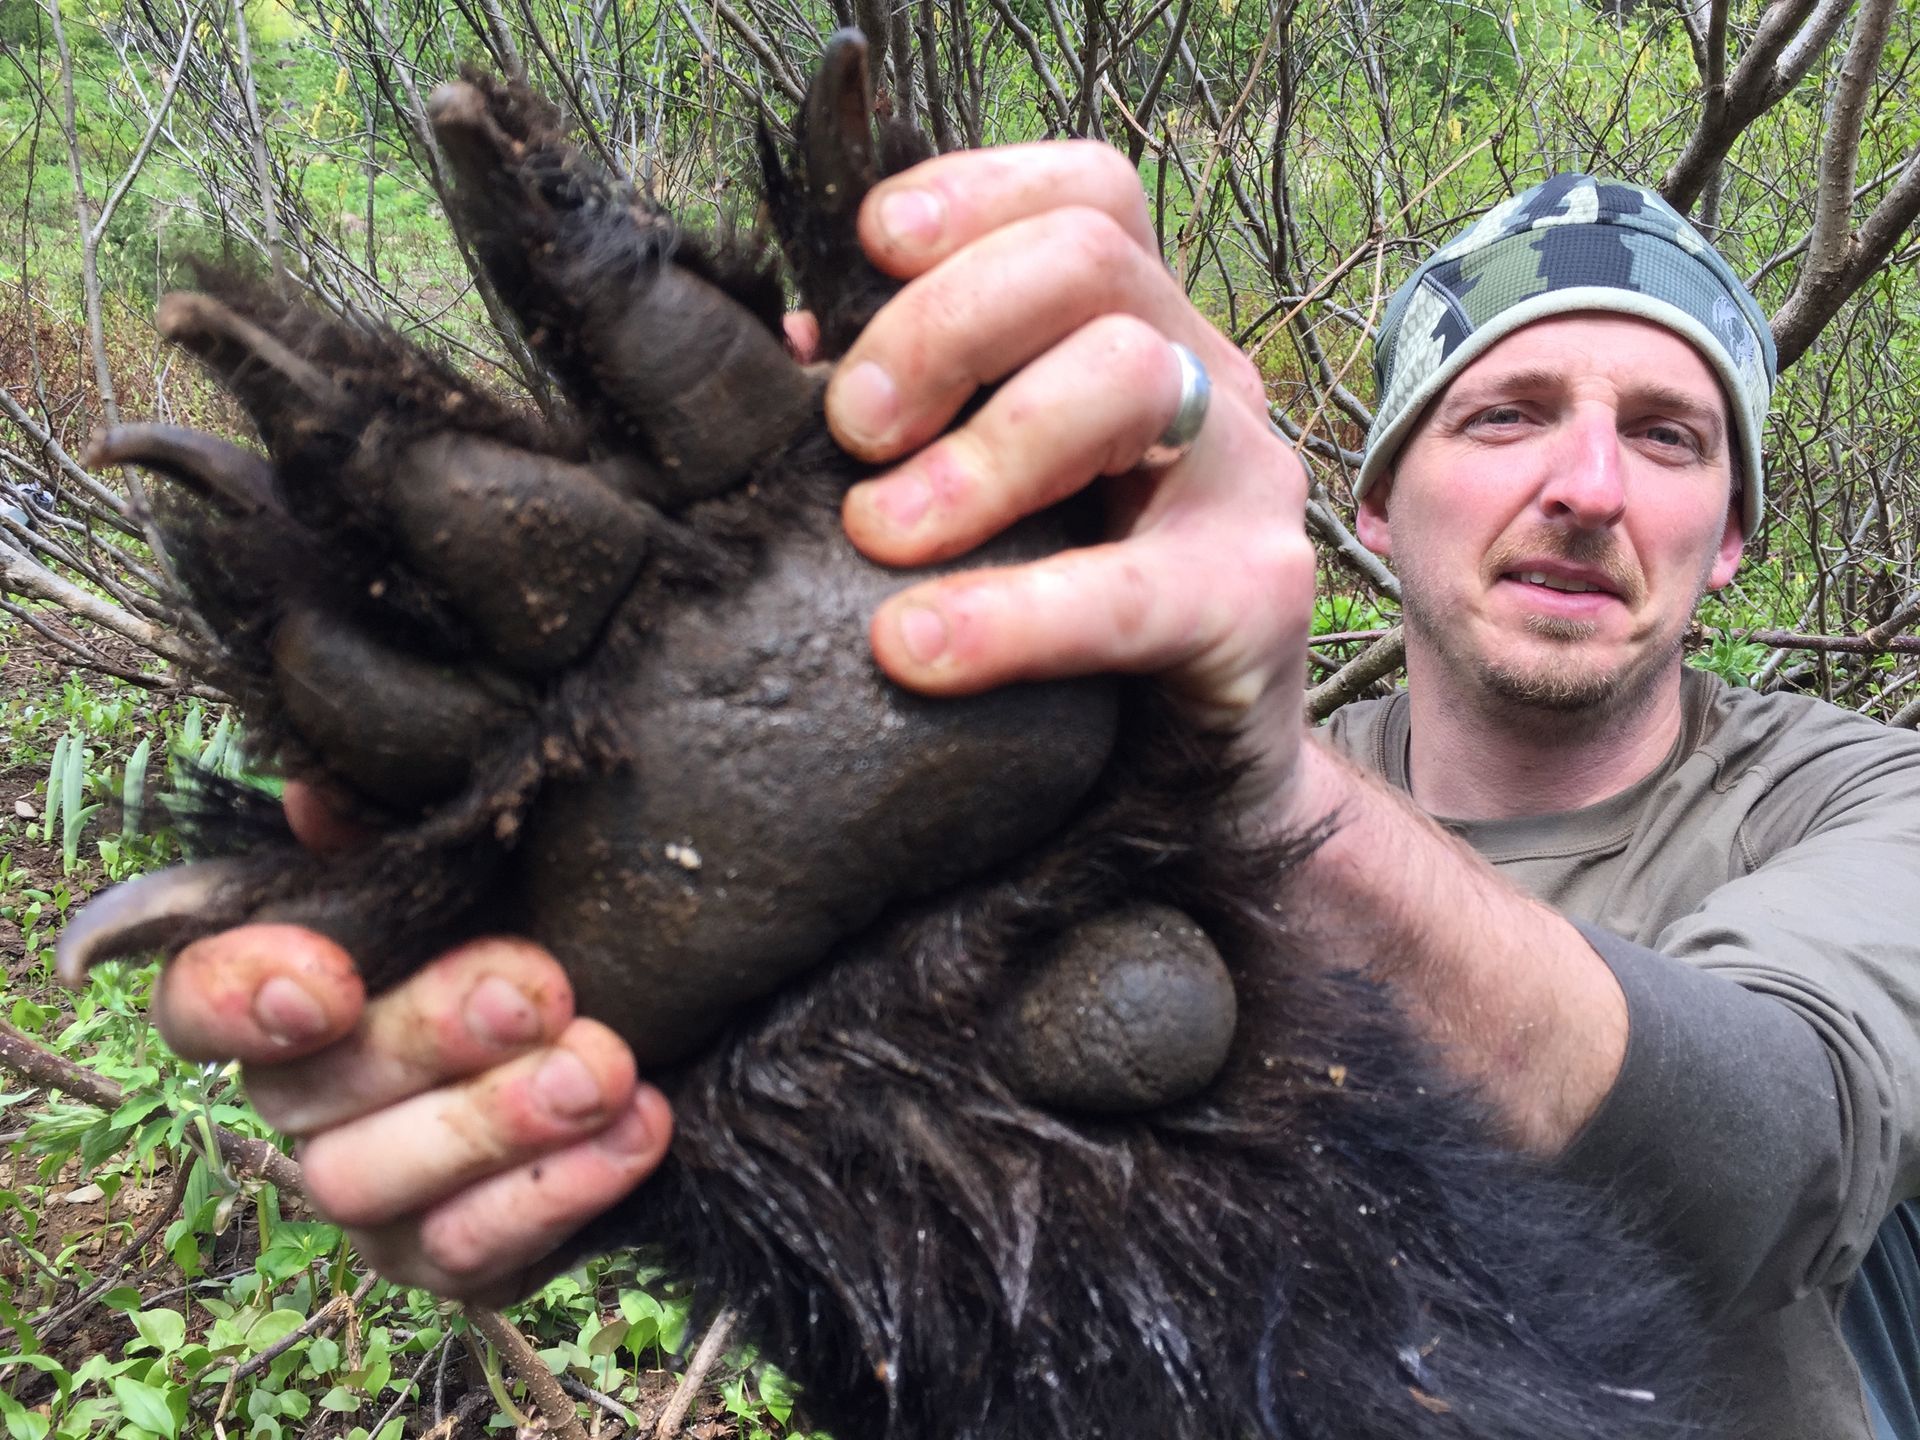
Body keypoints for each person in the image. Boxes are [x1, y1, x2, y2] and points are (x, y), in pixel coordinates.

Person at [145, 156, 1920, 1437]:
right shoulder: (1185, 735)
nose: (1590, 485)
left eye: (1672, 436)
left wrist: (1236, 789)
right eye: (1507, 413)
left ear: (1735, 538)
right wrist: (642, 1107)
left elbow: (1781, 1147)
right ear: (1372, 509)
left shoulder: (1861, 797)